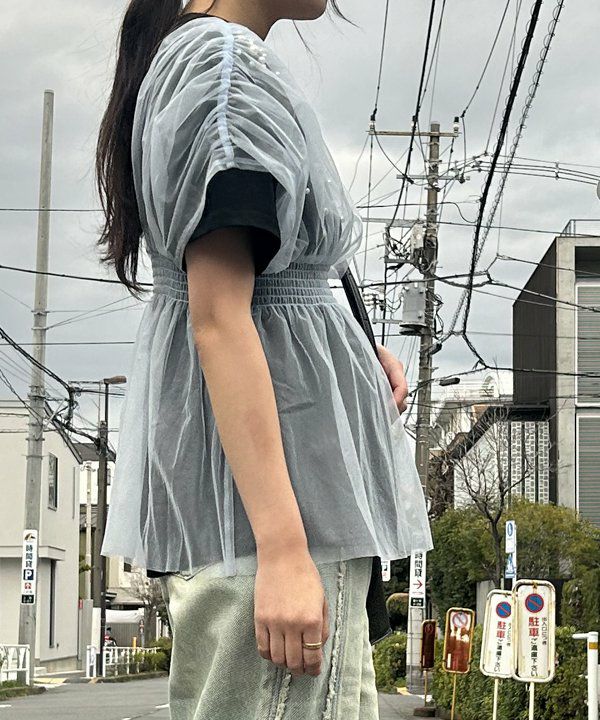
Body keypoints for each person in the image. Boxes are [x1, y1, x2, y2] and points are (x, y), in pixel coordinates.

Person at [96, 1, 433, 718]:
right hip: (280, 526)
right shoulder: (225, 76)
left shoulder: (207, 67)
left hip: (273, 520)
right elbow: (220, 317)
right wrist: (283, 550)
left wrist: (350, 359)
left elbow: (251, 297)